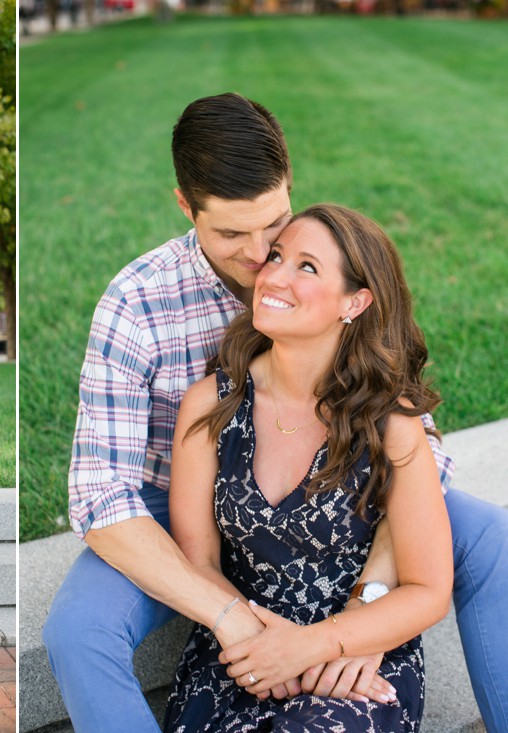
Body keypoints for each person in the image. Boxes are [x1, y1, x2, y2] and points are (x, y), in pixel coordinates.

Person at [41, 93, 508, 733]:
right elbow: (100, 496)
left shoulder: (337, 269)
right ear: (186, 205)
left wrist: (362, 615)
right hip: (165, 506)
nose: (264, 257)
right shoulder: (138, 303)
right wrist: (235, 621)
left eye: (276, 225)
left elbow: (412, 437)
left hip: (341, 473)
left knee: (493, 542)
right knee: (77, 632)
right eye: (233, 233)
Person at [162, 203, 452, 731]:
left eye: (307, 267)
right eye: (276, 257)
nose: (272, 275)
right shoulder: (211, 405)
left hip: (353, 664)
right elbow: (197, 560)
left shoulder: (388, 425)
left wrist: (315, 646)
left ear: (356, 301)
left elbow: (428, 587)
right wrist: (263, 646)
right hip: (238, 652)